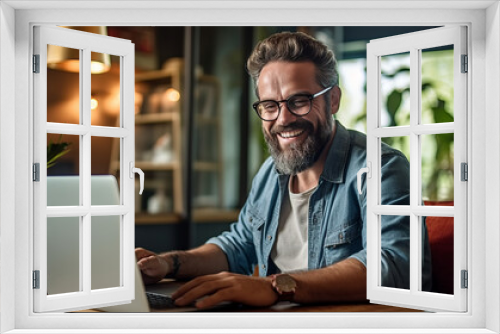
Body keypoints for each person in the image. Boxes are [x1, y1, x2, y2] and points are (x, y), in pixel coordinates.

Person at [136, 31, 432, 310]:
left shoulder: (380, 168)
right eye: (269, 105)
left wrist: (275, 287)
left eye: (299, 101)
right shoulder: (271, 172)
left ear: (333, 100)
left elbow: (393, 265)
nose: (283, 119)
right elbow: (239, 245)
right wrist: (167, 264)